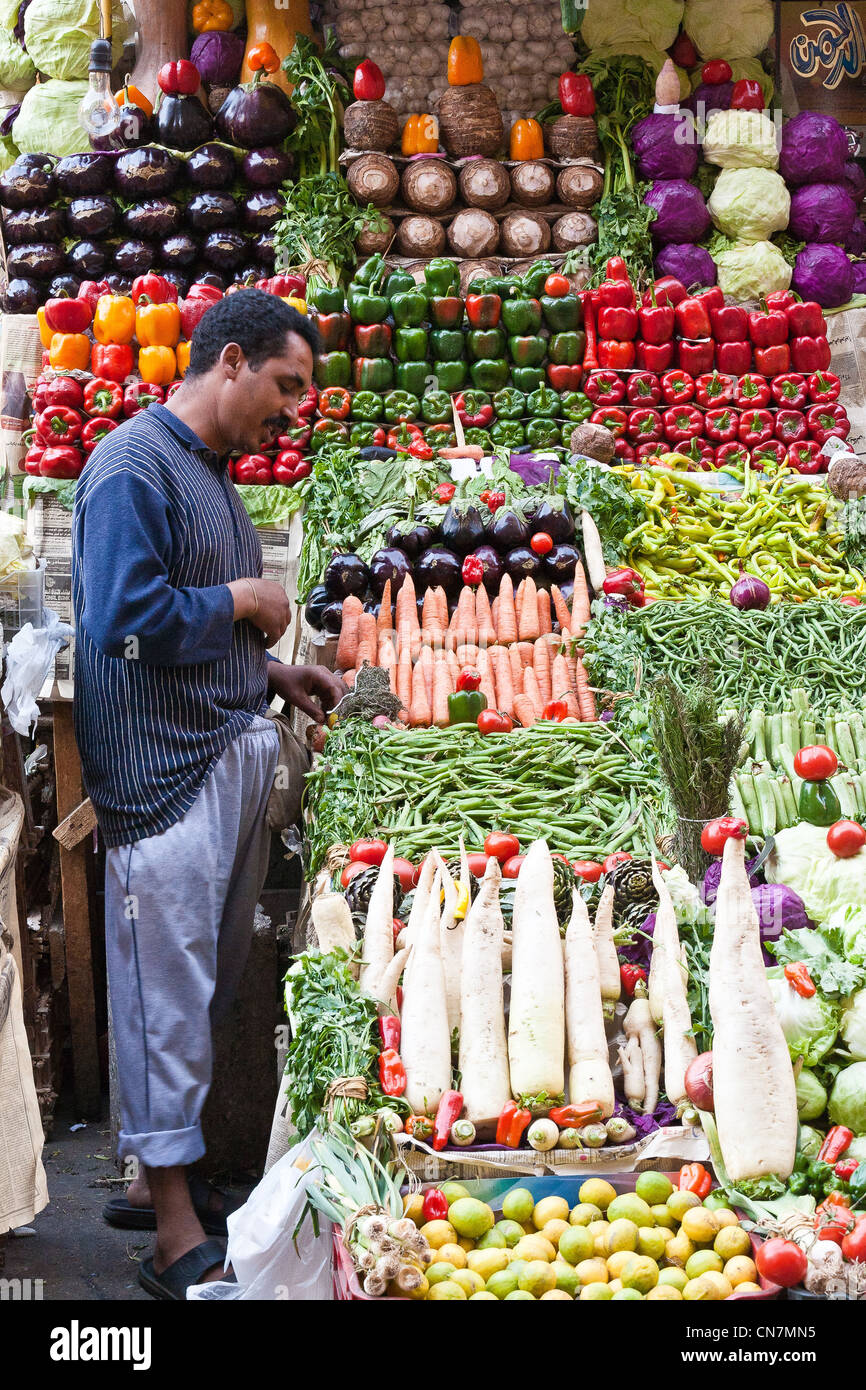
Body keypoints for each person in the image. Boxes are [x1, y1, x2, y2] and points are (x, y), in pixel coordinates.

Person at [70, 290, 345, 1300]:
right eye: (284, 384)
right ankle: (174, 1233)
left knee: (193, 992)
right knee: (164, 1003)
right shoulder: (129, 469)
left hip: (215, 747)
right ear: (227, 361)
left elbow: (181, 632)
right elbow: (122, 627)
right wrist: (243, 599)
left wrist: (270, 672)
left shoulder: (205, 474)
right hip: (159, 777)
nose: (291, 407)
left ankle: (158, 1178)